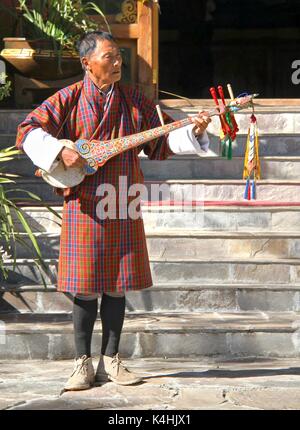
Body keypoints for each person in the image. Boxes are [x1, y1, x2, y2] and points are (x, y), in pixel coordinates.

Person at [16, 31, 211, 390]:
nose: (118, 62)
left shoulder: (135, 101)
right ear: (87, 63)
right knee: (85, 287)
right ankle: (81, 364)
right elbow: (27, 130)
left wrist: (193, 130)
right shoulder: (69, 99)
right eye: (109, 57)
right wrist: (61, 153)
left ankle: (112, 361)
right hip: (84, 202)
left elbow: (160, 142)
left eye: (120, 56)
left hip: (123, 197)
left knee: (118, 286)